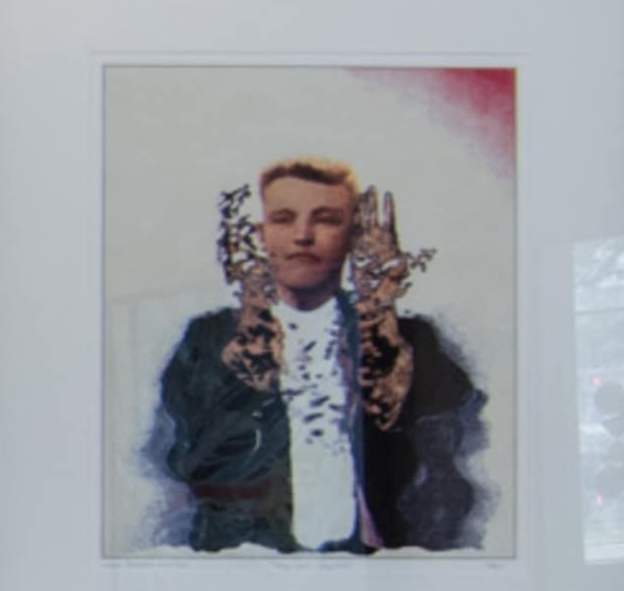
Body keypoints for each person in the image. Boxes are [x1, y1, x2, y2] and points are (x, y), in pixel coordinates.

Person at [146, 157, 486, 552]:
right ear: (260, 233)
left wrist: (382, 329)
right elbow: (188, 462)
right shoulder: (211, 341)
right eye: (284, 219)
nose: (303, 236)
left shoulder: (409, 338)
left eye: (325, 219)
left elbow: (445, 467)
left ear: (354, 236)